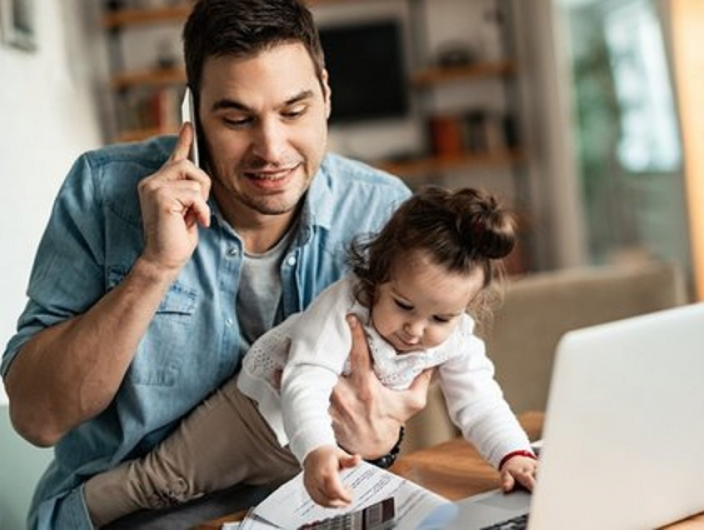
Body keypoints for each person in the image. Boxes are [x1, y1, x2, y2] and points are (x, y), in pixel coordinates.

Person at [0, 0, 431, 527]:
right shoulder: (102, 193)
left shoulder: (381, 209)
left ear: (325, 92)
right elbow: (38, 418)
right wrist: (155, 267)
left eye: (294, 111)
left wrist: (383, 442)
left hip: (311, 512)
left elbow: (386, 411)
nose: (271, 149)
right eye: (236, 119)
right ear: (192, 114)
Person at [83, 187, 539, 525]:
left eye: (441, 318)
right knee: (163, 483)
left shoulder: (456, 337)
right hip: (254, 418)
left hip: (313, 452)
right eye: (403, 306)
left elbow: (479, 399)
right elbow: (305, 380)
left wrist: (512, 455)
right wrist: (318, 450)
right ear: (377, 277)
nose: (416, 331)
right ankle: (71, 514)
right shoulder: (344, 306)